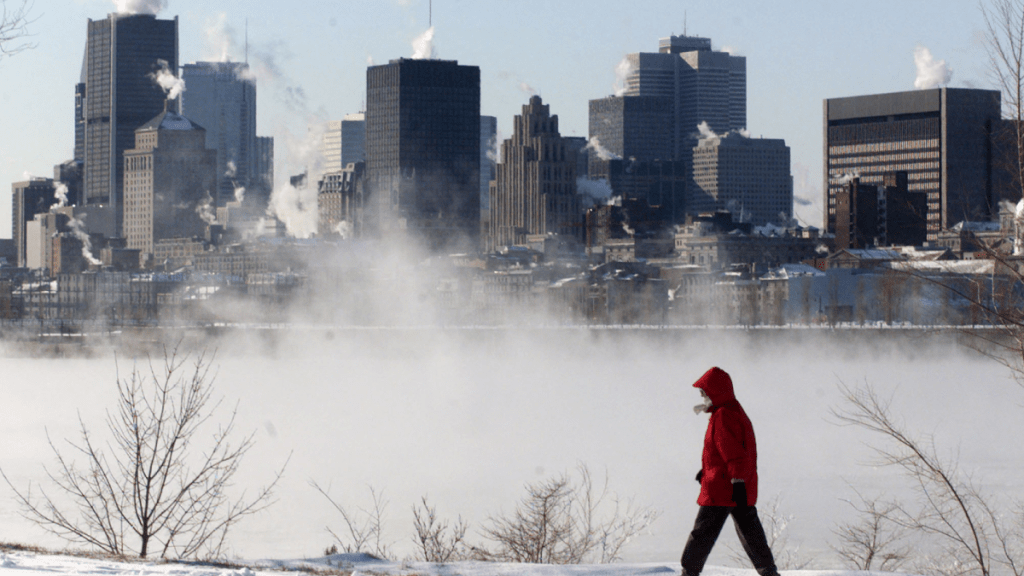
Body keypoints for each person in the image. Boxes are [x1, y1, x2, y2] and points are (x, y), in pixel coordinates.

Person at [681, 366, 781, 576]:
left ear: (715, 392)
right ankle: (769, 573)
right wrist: (707, 471)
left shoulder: (723, 415)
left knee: (702, 534)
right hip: (735, 484)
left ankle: (688, 574)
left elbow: (733, 452)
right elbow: (727, 451)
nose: (702, 396)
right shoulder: (732, 411)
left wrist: (736, 481)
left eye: (704, 393)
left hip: (723, 488)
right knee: (751, 534)